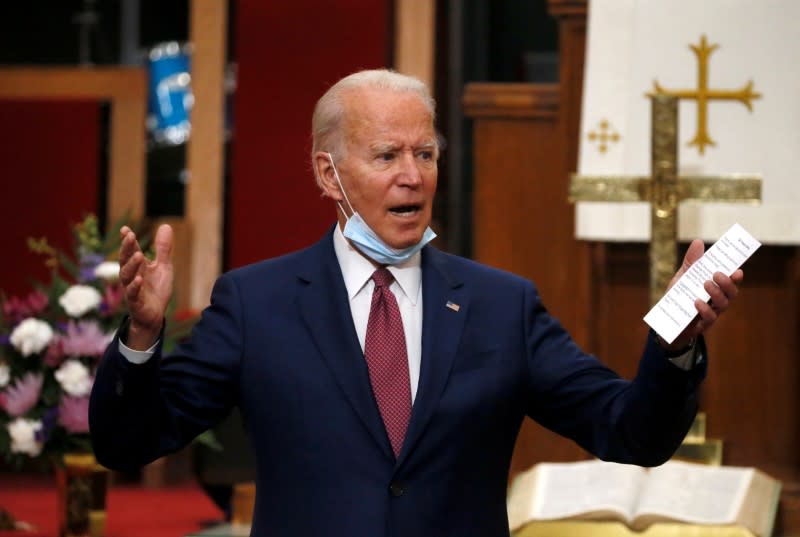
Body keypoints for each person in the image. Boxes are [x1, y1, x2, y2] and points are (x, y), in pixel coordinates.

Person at [89, 69, 742, 537]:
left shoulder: (500, 306)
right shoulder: (256, 303)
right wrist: (143, 337)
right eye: (387, 154)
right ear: (328, 173)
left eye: (425, 152)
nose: (413, 174)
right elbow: (128, 442)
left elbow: (630, 430)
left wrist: (674, 343)